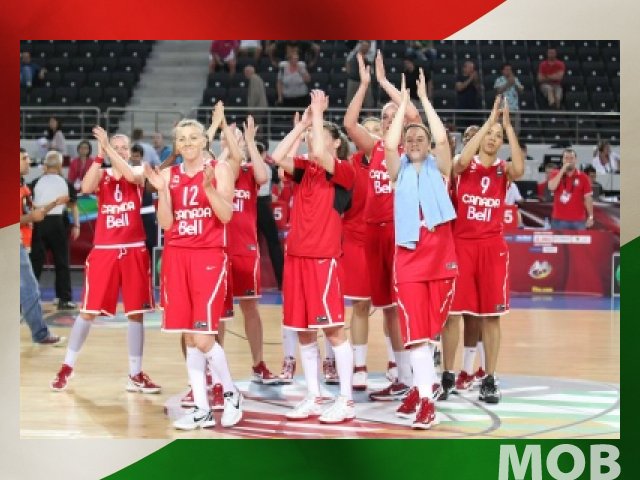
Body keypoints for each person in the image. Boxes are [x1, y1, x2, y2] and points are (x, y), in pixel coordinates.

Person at [145, 115, 243, 430]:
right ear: (176, 145)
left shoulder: (220, 169)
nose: (187, 143)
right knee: (189, 337)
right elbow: (166, 224)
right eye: (181, 139)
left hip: (208, 256)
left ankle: (231, 393)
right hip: (176, 257)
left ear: (204, 141)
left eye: (192, 137)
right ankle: (202, 408)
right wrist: (162, 192)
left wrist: (208, 188)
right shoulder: (168, 175)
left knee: (203, 337)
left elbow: (226, 215)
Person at [50, 128, 160, 396]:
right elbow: (86, 188)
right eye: (115, 147)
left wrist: (108, 148)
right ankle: (66, 367)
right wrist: (99, 156)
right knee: (88, 311)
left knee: (136, 313)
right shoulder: (102, 173)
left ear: (130, 152)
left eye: (124, 147)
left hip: (133, 249)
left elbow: (129, 175)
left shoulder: (139, 169)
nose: (120, 151)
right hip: (105, 250)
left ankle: (135, 373)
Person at [271, 90, 356, 423]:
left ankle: (346, 400)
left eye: (319, 136)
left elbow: (320, 151)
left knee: (333, 330)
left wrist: (319, 113)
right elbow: (277, 156)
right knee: (302, 330)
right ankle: (314, 395)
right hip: (296, 258)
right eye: (310, 137)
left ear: (336, 143)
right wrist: (302, 125)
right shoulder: (305, 169)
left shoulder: (343, 171)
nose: (311, 141)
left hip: (323, 259)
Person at [344, 51, 423, 401]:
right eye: (385, 116)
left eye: (395, 116)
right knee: (384, 306)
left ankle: (411, 372)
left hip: (400, 233)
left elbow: (414, 114)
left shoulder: (411, 149)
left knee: (401, 305)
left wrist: (386, 84)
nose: (389, 119)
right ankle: (398, 374)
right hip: (373, 234)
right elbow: (349, 124)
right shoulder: (375, 148)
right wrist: (364, 85)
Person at [385, 74, 457, 429]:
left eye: (420, 139)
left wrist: (424, 100)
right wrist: (402, 107)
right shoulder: (397, 171)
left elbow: (442, 139)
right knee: (415, 332)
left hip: (441, 257)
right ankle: (428, 402)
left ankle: (418, 386)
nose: (414, 142)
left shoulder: (440, 169)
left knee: (428, 332)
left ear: (428, 146)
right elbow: (389, 145)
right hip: (410, 259)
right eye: (409, 139)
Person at [448, 96, 524, 404]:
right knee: (453, 314)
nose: (493, 139)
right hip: (462, 246)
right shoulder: (464, 164)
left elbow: (520, 168)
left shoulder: (503, 170)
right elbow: (461, 161)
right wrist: (490, 120)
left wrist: (508, 127)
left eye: (497, 136)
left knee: (491, 316)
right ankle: (448, 375)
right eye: (489, 134)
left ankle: (489, 378)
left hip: (492, 249)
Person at [220, 115, 280, 384]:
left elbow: (264, 176)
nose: (237, 145)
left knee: (251, 308)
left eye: (239, 143)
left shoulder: (248, 173)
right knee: (218, 313)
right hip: (218, 250)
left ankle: (258, 364)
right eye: (230, 141)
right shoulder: (215, 170)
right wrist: (227, 142)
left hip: (245, 248)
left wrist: (251, 142)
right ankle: (217, 370)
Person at [20, 148, 66, 345]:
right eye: (24, 158)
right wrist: (31, 217)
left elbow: (32, 212)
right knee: (30, 289)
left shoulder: (23, 185)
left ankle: (40, 333)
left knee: (27, 289)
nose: (28, 161)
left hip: (20, 242)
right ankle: (40, 333)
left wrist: (53, 204)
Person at [29, 151, 79, 310]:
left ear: (45, 165)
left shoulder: (35, 182)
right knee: (61, 261)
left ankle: (29, 300)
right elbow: (73, 206)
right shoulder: (66, 182)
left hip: (39, 223)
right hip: (58, 224)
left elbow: (29, 206)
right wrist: (77, 225)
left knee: (35, 263)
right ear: (59, 165)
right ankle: (64, 299)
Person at [547, 149, 594, 230]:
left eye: (571, 158)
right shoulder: (555, 174)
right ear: (562, 160)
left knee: (580, 239)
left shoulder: (583, 177)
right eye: (566, 158)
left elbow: (588, 199)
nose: (569, 160)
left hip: (578, 221)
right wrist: (562, 171)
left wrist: (590, 216)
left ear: (576, 160)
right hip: (558, 220)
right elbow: (551, 187)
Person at [130, 144, 158, 260]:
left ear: (141, 157)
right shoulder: (127, 170)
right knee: (134, 243)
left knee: (150, 242)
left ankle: (151, 267)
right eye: (133, 156)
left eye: (137, 156)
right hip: (133, 212)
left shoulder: (147, 170)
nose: (135, 158)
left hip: (148, 212)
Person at [494, 63, 523, 134]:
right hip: (502, 109)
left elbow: (521, 91)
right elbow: (498, 91)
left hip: (514, 109)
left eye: (510, 70)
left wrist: (514, 83)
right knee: (501, 131)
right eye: (506, 70)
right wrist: (508, 83)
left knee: (515, 131)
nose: (508, 71)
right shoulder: (499, 80)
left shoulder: (515, 79)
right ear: (502, 71)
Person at [345, 41, 376, 108]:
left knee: (368, 105)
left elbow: (370, 64)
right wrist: (349, 73)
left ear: (369, 47)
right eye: (363, 45)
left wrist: (362, 56)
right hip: (353, 81)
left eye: (366, 46)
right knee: (350, 104)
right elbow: (347, 61)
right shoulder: (354, 53)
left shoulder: (371, 56)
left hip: (365, 82)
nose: (364, 47)